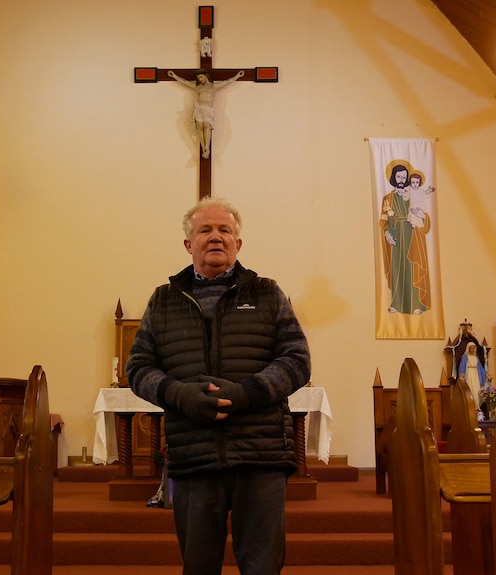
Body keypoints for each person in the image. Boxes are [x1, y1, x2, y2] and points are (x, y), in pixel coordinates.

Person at [127, 196, 311, 575]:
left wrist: (244, 394)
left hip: (260, 456)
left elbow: (296, 361)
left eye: (224, 230)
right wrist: (180, 395)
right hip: (194, 457)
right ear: (188, 243)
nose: (215, 237)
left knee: (262, 567)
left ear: (238, 243)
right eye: (204, 230)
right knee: (198, 567)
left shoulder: (267, 292)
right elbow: (139, 368)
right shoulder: (163, 301)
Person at [379, 163, 431, 315]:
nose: (402, 180)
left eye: (404, 177)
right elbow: (383, 221)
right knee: (397, 268)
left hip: (413, 235)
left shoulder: (414, 195)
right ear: (394, 177)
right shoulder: (387, 198)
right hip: (395, 236)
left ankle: (417, 303)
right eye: (399, 176)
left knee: (412, 266)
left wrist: (422, 216)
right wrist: (387, 234)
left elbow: (424, 214)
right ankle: (396, 302)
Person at [168, 68, 245, 159]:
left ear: (206, 76)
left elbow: (227, 82)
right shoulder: (198, 87)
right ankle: (203, 147)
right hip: (199, 107)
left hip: (208, 108)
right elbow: (185, 82)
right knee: (200, 127)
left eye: (201, 77)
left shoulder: (213, 87)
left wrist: (237, 76)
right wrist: (174, 76)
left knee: (206, 126)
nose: (200, 79)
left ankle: (206, 147)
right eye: (198, 78)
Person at [458, 341, 488, 411]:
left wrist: (486, 374)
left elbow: (480, 368)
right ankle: (472, 407)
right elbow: (462, 366)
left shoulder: (476, 358)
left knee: (477, 390)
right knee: (471, 390)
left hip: (476, 376)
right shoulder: (465, 357)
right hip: (468, 375)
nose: (472, 350)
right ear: (468, 349)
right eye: (471, 348)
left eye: (473, 348)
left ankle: (477, 408)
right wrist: (462, 373)